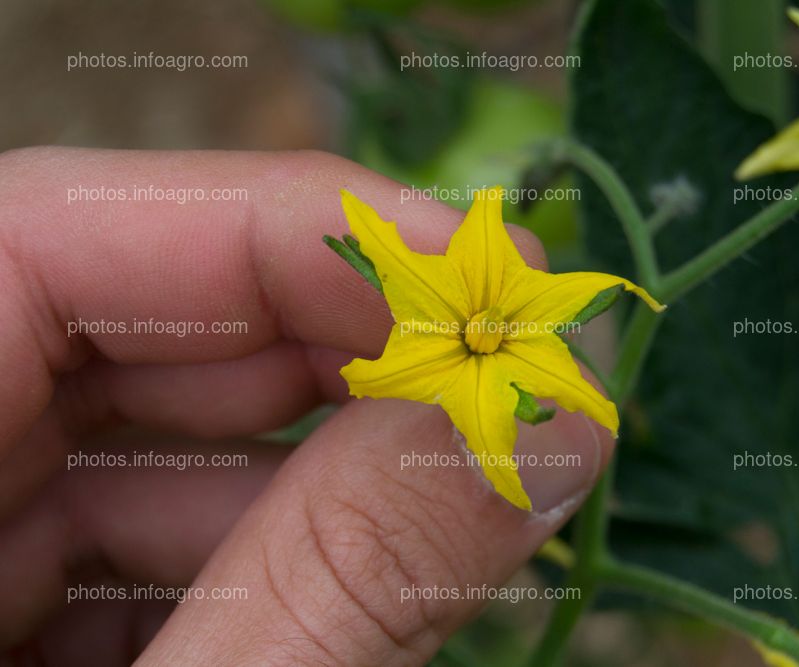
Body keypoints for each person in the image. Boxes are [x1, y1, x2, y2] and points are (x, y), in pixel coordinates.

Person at [0, 147, 612, 665]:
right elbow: (397, 309)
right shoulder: (441, 339)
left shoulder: (474, 316)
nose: (487, 323)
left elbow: (462, 236)